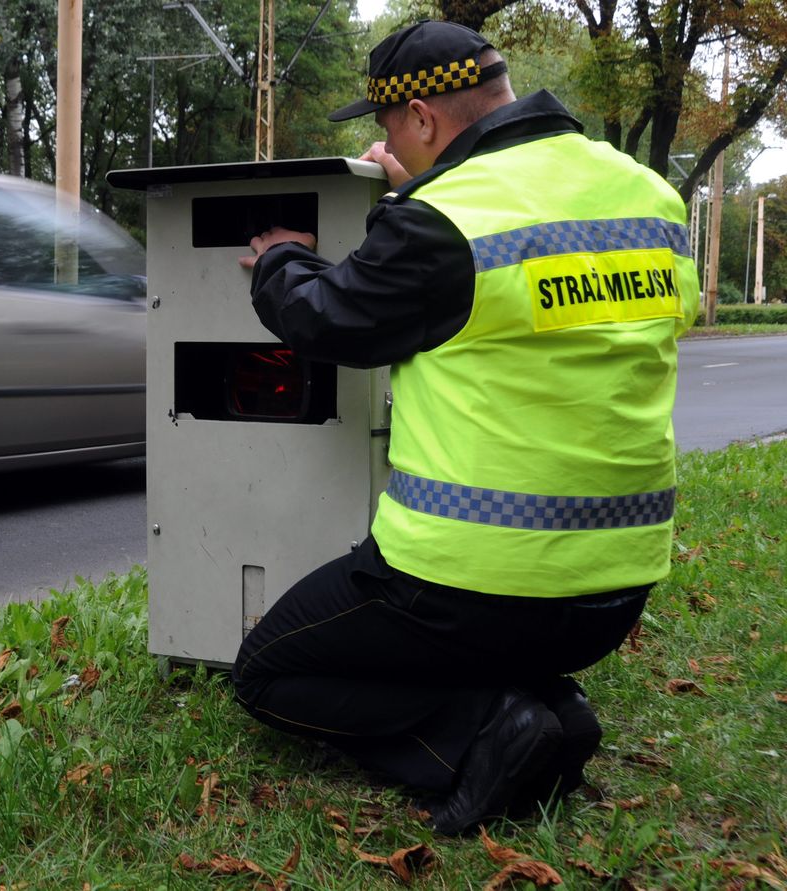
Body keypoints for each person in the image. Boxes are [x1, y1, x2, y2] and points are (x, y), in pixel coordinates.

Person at [230, 18, 700, 835]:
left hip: (468, 583)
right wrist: (412, 193)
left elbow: (327, 318)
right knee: (496, 641)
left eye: (385, 126)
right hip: (615, 590)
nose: (387, 144)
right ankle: (554, 708)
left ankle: (483, 731)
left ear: (420, 119)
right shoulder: (645, 193)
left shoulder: (444, 217)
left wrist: (280, 257)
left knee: (266, 672)